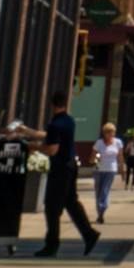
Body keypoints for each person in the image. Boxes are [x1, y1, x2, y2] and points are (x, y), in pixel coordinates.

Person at [35, 89, 99, 257]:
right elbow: (51, 136)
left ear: (52, 104)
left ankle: (52, 244)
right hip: (71, 166)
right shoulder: (69, 121)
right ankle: (89, 234)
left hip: (60, 169)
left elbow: (52, 149)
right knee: (71, 202)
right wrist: (28, 131)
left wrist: (35, 147)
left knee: (52, 207)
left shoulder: (54, 124)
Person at [91, 123, 122, 223]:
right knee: (98, 192)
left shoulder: (118, 142)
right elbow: (92, 158)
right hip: (98, 170)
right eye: (107, 132)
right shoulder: (99, 143)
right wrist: (96, 159)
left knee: (105, 190)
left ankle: (102, 210)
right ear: (104, 133)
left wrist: (122, 168)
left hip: (111, 170)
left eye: (112, 132)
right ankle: (99, 212)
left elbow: (120, 156)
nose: (110, 134)